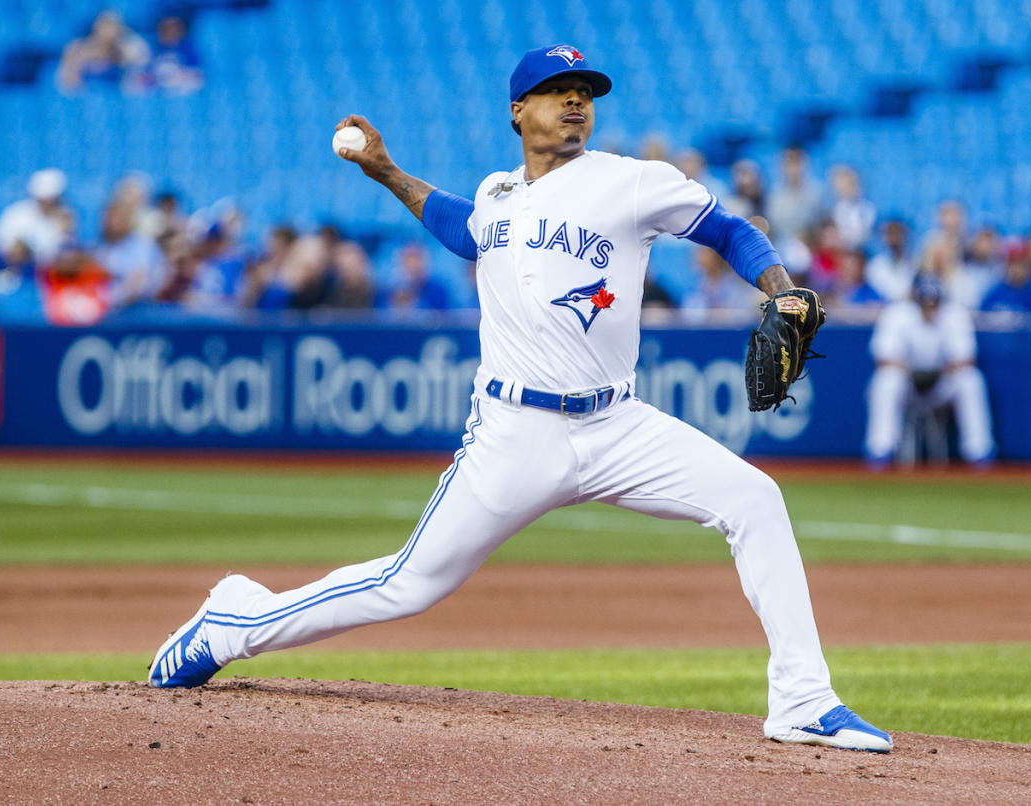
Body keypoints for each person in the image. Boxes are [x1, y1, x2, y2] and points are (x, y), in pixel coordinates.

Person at [149, 44, 892, 754]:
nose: (576, 100)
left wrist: (783, 289)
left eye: (587, 92)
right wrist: (386, 172)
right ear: (517, 111)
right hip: (515, 433)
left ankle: (802, 701)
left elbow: (730, 230)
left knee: (755, 499)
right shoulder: (497, 194)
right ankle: (231, 626)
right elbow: (462, 228)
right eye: (557, 91)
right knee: (406, 585)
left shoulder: (630, 181)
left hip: (617, 425)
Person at [864, 273, 995, 468]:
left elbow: (966, 360)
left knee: (970, 380)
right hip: (908, 382)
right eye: (925, 301)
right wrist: (912, 372)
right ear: (915, 299)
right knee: (886, 381)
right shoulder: (897, 313)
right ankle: (880, 449)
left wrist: (938, 372)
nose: (929, 306)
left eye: (933, 301)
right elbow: (883, 359)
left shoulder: (954, 314)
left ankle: (979, 451)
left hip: (941, 383)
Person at [0, 169, 74, 266]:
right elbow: (0, 244)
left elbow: (65, 254)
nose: (48, 202)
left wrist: (65, 232)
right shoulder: (17, 213)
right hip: (15, 269)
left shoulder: (65, 215)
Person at [766, 145, 825, 242]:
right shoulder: (774, 196)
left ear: (805, 164)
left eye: (796, 162)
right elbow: (773, 227)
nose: (793, 169)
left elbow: (820, 227)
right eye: (789, 163)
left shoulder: (817, 194)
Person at [979, 239, 1031, 314]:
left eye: (1022, 263)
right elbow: (982, 317)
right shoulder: (995, 292)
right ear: (1008, 265)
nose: (1018, 268)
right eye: (1014, 263)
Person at [865, 218, 915, 302]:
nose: (894, 238)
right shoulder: (874, 266)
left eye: (898, 233)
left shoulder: (915, 264)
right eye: (891, 233)